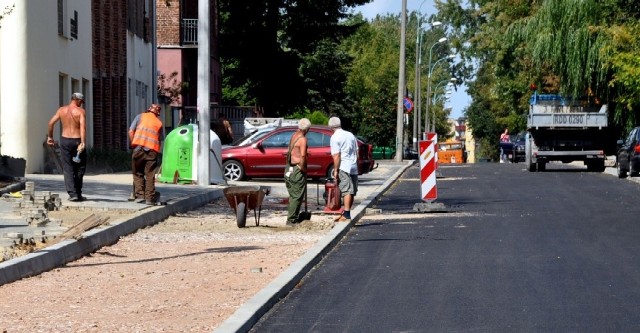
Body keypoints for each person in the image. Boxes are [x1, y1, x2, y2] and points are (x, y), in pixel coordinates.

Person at [47, 92, 87, 201]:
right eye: (81, 102)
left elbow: (50, 123)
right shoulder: (80, 111)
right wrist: (82, 142)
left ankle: (73, 194)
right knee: (80, 167)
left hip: (65, 140)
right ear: (77, 100)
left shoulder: (61, 110)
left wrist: (50, 137)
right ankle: (77, 192)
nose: (81, 104)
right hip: (77, 141)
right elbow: (82, 127)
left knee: (68, 167)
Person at [129, 104, 164, 205]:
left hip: (138, 149)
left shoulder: (140, 116)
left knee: (137, 173)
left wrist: (133, 145)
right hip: (152, 151)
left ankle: (140, 196)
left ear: (148, 110)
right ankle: (149, 198)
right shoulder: (159, 123)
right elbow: (159, 139)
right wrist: (157, 152)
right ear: (157, 113)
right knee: (150, 175)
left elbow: (131, 132)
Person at [328, 116, 358, 222]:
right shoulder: (350, 134)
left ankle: (346, 214)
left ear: (330, 127)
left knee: (346, 190)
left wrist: (335, 170)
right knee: (352, 190)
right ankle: (346, 212)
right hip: (353, 165)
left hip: (344, 166)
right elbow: (356, 151)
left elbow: (336, 156)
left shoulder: (335, 137)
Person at [285, 118, 311, 225]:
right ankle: (291, 220)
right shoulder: (303, 139)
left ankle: (292, 216)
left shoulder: (294, 136)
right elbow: (303, 155)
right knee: (297, 195)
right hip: (297, 168)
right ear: (307, 129)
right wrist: (303, 167)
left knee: (293, 195)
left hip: (288, 168)